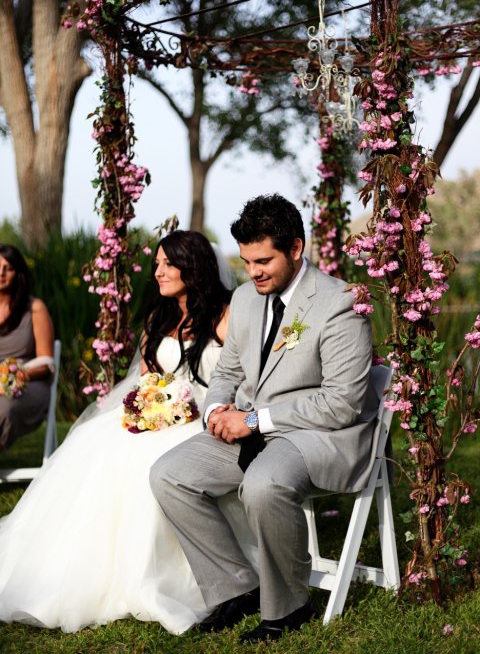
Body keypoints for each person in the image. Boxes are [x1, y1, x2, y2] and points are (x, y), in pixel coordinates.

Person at [150, 194, 379, 643]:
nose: (253, 271)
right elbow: (229, 372)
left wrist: (253, 421)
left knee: (263, 483)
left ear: (296, 248)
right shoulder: (245, 299)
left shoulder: (340, 303)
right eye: (246, 260)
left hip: (321, 437)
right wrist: (217, 409)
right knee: (169, 474)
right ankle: (238, 586)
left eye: (263, 260)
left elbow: (343, 403)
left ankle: (290, 606)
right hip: (253, 434)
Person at [0, 230, 235, 633]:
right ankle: (85, 568)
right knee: (101, 449)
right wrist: (146, 407)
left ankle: (162, 572)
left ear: (192, 267)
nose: (157, 272)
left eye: (166, 264)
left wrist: (189, 407)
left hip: (204, 415)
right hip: (159, 411)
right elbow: (145, 379)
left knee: (151, 466)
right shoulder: (158, 317)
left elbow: (237, 375)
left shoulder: (225, 315)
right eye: (157, 263)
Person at [0, 244, 54, 451]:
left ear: (18, 273)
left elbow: (46, 364)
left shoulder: (34, 308)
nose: (1, 273)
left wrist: (11, 375)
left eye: (8, 268)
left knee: (5, 406)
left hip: (28, 382)